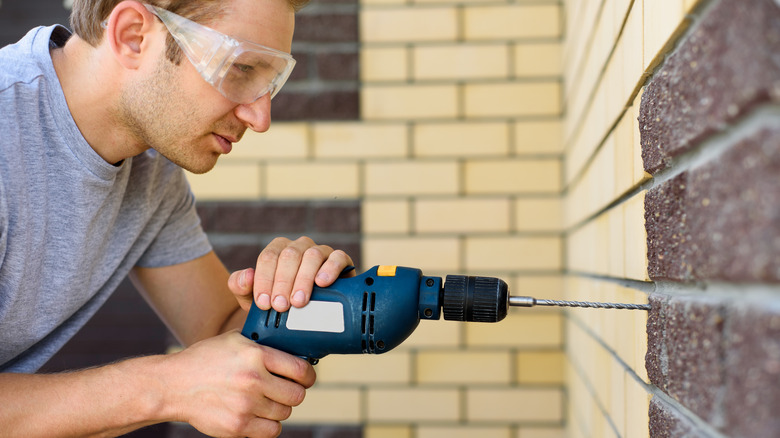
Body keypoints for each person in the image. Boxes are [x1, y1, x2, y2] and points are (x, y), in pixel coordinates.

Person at [0, 0, 354, 436]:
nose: (260, 118)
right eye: (241, 69)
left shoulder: (149, 174)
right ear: (133, 35)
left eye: (271, 82)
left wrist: (303, 297)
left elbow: (222, 333)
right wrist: (166, 386)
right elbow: (185, 381)